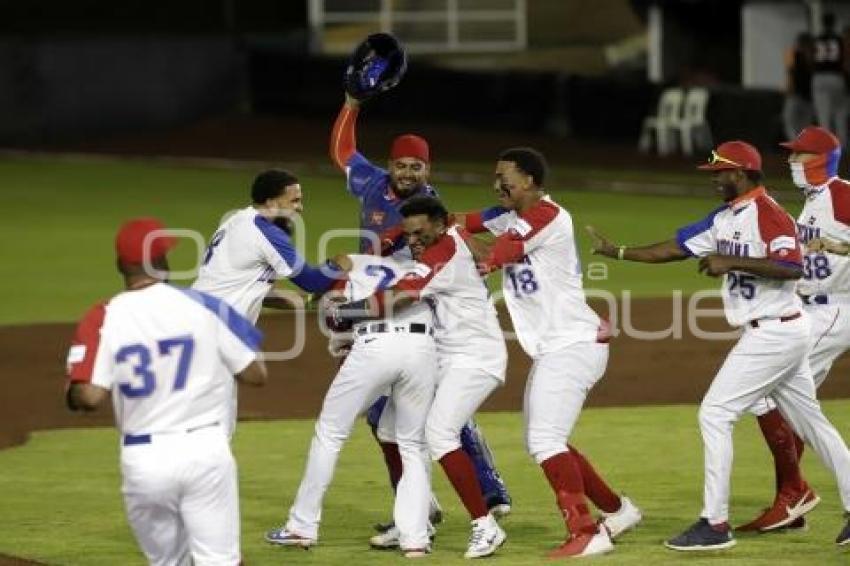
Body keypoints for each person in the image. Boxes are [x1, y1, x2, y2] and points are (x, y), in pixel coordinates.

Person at [587, 140, 850, 550]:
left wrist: (732, 262)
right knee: (811, 422)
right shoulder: (724, 218)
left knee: (715, 413)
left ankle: (715, 523)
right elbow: (674, 248)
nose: (714, 179)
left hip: (776, 331)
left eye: (720, 172)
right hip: (781, 330)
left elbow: (791, 265)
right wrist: (616, 251)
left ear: (742, 173)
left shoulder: (769, 214)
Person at [330, 92, 513, 523]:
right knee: (380, 413)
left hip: (415, 310)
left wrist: (489, 260)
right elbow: (342, 151)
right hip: (377, 310)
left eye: (417, 166)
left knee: (439, 404)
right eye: (402, 164)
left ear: (427, 170)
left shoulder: (430, 208)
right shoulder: (371, 182)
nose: (408, 172)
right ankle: (417, 507)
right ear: (390, 165)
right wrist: (352, 104)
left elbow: (463, 238)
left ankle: (489, 488)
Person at [457, 148, 641, 558]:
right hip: (559, 346)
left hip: (573, 345)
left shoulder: (547, 215)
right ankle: (619, 510)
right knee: (544, 439)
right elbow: (455, 222)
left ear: (528, 180)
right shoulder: (509, 217)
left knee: (545, 440)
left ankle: (585, 530)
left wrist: (468, 244)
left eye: (504, 176)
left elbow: (495, 254)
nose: (496, 183)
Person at [64, 217, 267, 565]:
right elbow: (255, 374)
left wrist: (71, 391)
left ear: (120, 265)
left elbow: (90, 396)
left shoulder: (104, 316)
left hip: (145, 459)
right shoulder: (204, 306)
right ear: (164, 262)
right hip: (206, 449)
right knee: (220, 560)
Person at [264, 248, 439, 558]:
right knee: (411, 444)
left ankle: (301, 527)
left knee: (330, 433)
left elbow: (335, 315)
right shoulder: (417, 268)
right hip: (423, 349)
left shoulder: (350, 264)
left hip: (376, 343)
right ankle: (416, 539)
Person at [365, 196, 509, 558]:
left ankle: (484, 525)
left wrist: (344, 310)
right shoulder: (450, 236)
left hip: (475, 358)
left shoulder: (441, 254)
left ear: (441, 225)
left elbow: (397, 297)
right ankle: (414, 519)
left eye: (420, 233)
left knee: (441, 433)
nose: (412, 241)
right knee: (390, 428)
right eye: (409, 234)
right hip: (447, 356)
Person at [738, 125, 850, 534]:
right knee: (792, 404)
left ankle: (795, 493)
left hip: (834, 311)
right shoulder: (814, 202)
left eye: (799, 155)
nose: (790, 161)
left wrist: (842, 248)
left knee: (763, 389)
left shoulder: (840, 193)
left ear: (819, 160)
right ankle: (792, 500)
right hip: (813, 310)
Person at [192, 169, 347, 436]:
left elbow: (257, 291)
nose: (301, 208)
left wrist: (308, 302)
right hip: (213, 333)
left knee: (205, 421)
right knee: (213, 428)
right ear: (272, 203)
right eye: (294, 201)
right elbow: (312, 279)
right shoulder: (263, 231)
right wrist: (340, 264)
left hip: (200, 325)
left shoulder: (238, 221)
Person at [812, 13, 848, 145]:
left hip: (820, 76)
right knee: (840, 114)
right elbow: (844, 60)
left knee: (824, 115)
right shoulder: (839, 39)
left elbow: (811, 59)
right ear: (833, 23)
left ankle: (826, 146)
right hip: (836, 76)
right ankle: (843, 148)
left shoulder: (817, 39)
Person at [783, 33, 815, 141]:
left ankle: (798, 145)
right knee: (803, 126)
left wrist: (789, 88)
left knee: (791, 122)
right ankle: (801, 146)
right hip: (808, 96)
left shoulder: (794, 55)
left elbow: (790, 73)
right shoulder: (813, 58)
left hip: (797, 95)